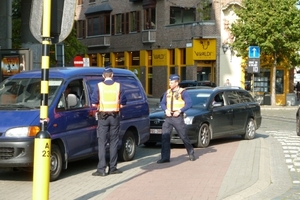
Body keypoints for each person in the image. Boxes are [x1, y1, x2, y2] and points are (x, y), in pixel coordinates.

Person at [91, 68, 127, 176]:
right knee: (113, 142)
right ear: (112, 75)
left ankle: (101, 169)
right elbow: (123, 103)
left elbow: (93, 103)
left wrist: (101, 106)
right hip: (115, 116)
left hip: (102, 117)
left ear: (103, 76)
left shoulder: (99, 86)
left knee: (102, 142)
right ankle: (113, 168)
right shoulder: (118, 86)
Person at [157, 74, 195, 163]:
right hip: (168, 117)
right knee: (165, 137)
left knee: (184, 136)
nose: (170, 84)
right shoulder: (168, 92)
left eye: (172, 82)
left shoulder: (183, 92)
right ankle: (165, 157)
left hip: (178, 117)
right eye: (169, 82)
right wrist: (165, 110)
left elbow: (189, 103)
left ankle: (191, 153)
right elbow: (162, 103)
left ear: (176, 83)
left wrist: (180, 110)